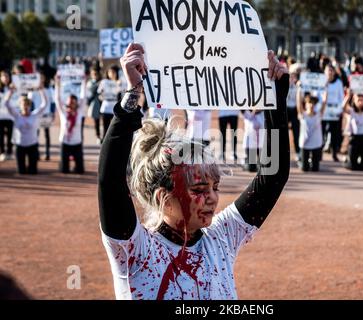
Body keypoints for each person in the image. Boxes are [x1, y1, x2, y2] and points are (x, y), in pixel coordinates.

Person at [98, 44, 290, 300]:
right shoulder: (136, 251)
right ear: (162, 199)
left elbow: (273, 176)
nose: (212, 197)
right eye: (199, 189)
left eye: (215, 187)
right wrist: (133, 93)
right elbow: (110, 183)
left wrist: (275, 99)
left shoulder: (220, 237)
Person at [4, 88, 48, 174]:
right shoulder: (16, 115)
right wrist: (11, 91)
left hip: (32, 146)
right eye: (23, 105)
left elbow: (45, 104)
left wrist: (41, 90)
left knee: (33, 172)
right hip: (20, 146)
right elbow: (6, 103)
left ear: (30, 106)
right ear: (20, 106)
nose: (25, 107)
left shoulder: (34, 115)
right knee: (21, 172)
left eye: (27, 105)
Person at [55, 76, 86, 174]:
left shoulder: (79, 112)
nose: (71, 104)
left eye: (73, 102)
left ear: (76, 103)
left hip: (77, 142)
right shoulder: (63, 112)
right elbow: (57, 99)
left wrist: (84, 81)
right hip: (65, 142)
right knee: (64, 170)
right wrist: (57, 83)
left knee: (80, 171)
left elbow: (83, 97)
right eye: (70, 102)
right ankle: (62, 163)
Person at [29, 72, 54, 161]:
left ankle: (47, 153)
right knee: (36, 135)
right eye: (39, 78)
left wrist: (52, 113)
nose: (40, 80)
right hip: (37, 115)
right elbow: (30, 101)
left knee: (47, 135)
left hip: (46, 115)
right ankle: (36, 153)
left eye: (42, 78)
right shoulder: (33, 90)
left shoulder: (49, 89)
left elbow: (52, 102)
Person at [322, 65, 345, 162]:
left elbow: (341, 97)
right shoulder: (321, 82)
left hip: (335, 110)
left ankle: (334, 153)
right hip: (324, 110)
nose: (330, 73)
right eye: (328, 71)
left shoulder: (338, 83)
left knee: (335, 133)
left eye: (331, 71)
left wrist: (340, 110)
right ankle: (319, 154)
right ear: (325, 72)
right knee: (322, 132)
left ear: (334, 72)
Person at [299, 94, 327, 172]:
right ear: (306, 104)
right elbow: (298, 103)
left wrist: (326, 90)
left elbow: (324, 103)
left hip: (316, 144)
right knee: (304, 169)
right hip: (305, 143)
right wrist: (298, 90)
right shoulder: (302, 114)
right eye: (309, 103)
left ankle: (312, 162)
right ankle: (301, 161)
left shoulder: (319, 114)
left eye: (313, 103)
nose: (311, 105)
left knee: (315, 169)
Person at [98, 65, 125, 140]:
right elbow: (99, 93)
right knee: (105, 126)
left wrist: (119, 84)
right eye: (110, 72)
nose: (112, 74)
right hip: (106, 107)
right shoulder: (104, 82)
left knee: (115, 126)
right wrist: (101, 96)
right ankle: (104, 140)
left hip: (115, 107)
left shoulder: (120, 82)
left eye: (113, 72)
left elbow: (122, 93)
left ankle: (113, 141)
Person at [0, 70, 15, 162]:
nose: (5, 78)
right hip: (0, 116)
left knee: (10, 135)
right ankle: (2, 152)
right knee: (0, 136)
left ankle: (9, 152)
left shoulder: (12, 89)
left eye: (7, 76)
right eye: (3, 76)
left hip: (10, 116)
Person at [286, 71, 301, 162]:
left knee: (296, 132)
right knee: (284, 132)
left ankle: (298, 153)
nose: (291, 79)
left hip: (294, 110)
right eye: (290, 77)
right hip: (287, 110)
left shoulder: (297, 88)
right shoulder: (285, 87)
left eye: (293, 77)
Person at [87, 67, 102, 145]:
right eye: (93, 74)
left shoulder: (102, 81)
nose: (95, 75)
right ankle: (98, 137)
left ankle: (104, 135)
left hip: (102, 103)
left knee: (106, 121)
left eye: (96, 74)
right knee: (97, 121)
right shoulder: (90, 83)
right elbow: (90, 91)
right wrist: (97, 85)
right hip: (95, 104)